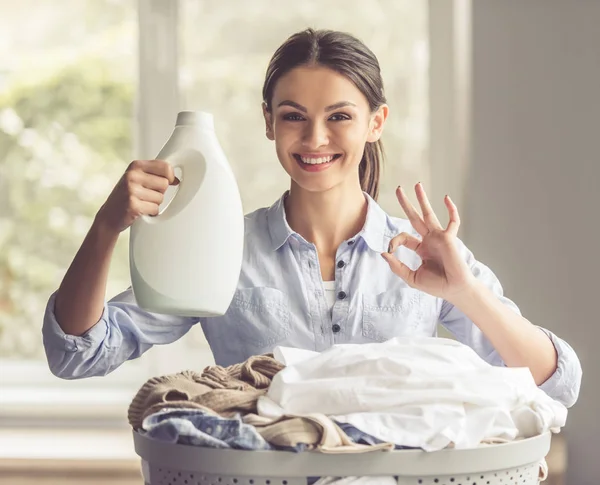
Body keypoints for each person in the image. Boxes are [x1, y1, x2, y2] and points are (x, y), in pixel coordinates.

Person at [42, 28, 581, 408]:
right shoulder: (225, 247)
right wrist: (107, 226)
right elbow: (78, 354)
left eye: (340, 117)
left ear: (376, 122)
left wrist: (465, 291)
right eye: (293, 116)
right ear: (269, 124)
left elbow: (555, 385)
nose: (315, 138)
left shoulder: (425, 256)